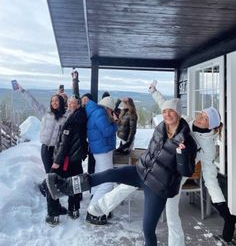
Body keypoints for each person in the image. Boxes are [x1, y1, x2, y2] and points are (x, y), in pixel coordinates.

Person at [46, 99, 197, 246]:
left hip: (157, 187)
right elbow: (152, 153)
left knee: (148, 229)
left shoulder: (187, 141)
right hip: (140, 171)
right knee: (109, 174)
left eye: (171, 111)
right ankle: (67, 187)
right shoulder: (160, 129)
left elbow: (187, 171)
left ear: (178, 113)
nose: (167, 114)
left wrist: (181, 155)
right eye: (164, 111)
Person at [148, 81, 236, 244]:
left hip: (177, 176)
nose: (199, 118)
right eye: (201, 114)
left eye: (205, 119)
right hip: (162, 166)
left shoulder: (207, 146)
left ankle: (229, 220)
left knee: (170, 210)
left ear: (211, 126)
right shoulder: (187, 121)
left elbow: (210, 177)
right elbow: (167, 107)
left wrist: (224, 212)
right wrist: (154, 92)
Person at [81, 94, 117, 225]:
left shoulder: (94, 112)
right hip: (103, 149)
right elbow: (107, 131)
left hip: (98, 149)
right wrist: (115, 123)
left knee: (100, 177)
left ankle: (95, 200)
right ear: (108, 108)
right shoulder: (101, 113)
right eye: (111, 111)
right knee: (108, 182)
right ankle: (94, 212)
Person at [50, 95, 88, 222]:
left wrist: (57, 162)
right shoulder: (81, 116)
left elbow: (64, 144)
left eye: (73, 103)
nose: (70, 105)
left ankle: (53, 214)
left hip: (67, 159)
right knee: (76, 183)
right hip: (76, 158)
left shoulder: (72, 122)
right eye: (69, 103)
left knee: (52, 182)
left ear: (78, 105)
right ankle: (74, 210)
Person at [40, 94, 69, 225]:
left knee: (53, 179)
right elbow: (34, 103)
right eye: (52, 101)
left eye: (57, 100)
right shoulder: (46, 114)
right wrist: (22, 90)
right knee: (51, 179)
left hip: (57, 151)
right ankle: (54, 211)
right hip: (46, 150)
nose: (54, 103)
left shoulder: (65, 117)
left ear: (61, 102)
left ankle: (54, 210)